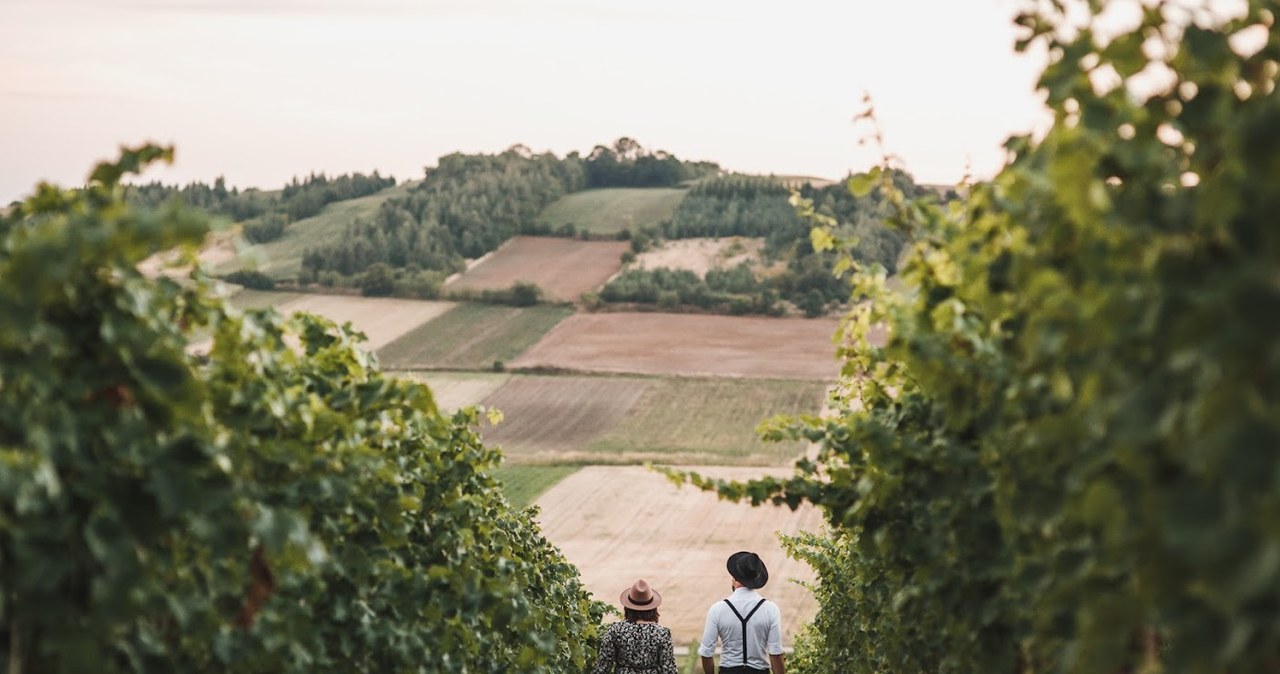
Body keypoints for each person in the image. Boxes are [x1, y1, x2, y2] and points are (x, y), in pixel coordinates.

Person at [698, 551, 785, 674]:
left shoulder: (717, 609)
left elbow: (706, 653)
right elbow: (775, 653)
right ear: (756, 579)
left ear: (734, 579)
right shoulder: (770, 609)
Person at [591, 578, 679, 674]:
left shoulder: (615, 630)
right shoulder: (662, 634)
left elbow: (603, 667)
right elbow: (669, 670)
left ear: (627, 607)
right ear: (653, 608)